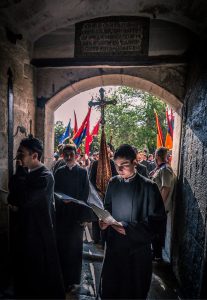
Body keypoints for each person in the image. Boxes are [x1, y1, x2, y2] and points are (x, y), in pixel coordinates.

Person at [99, 144, 166, 299]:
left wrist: (127, 227)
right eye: (116, 166)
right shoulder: (113, 183)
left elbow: (157, 220)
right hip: (114, 249)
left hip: (136, 253)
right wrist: (103, 221)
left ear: (135, 162)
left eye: (124, 165)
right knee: (111, 290)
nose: (120, 170)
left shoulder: (149, 187)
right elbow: (107, 208)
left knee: (133, 291)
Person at [8, 136, 65, 299]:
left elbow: (25, 200)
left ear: (34, 156)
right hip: (23, 231)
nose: (18, 157)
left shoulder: (45, 176)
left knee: (37, 279)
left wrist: (19, 177)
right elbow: (12, 197)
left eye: (22, 154)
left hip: (38, 234)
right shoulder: (26, 172)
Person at [54, 144, 91, 292]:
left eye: (71, 154)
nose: (69, 157)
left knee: (75, 249)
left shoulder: (82, 173)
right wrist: (61, 200)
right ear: (62, 155)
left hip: (76, 218)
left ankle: (74, 281)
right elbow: (54, 191)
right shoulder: (59, 172)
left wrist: (82, 216)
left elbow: (85, 194)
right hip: (62, 216)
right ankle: (62, 278)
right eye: (66, 154)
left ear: (76, 155)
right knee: (61, 248)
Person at [89, 143, 118, 244]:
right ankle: (96, 239)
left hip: (108, 196)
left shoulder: (112, 164)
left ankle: (104, 240)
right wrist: (97, 192)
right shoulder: (95, 164)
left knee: (107, 218)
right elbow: (90, 180)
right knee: (96, 218)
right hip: (97, 197)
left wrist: (108, 192)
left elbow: (116, 179)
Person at [151, 147, 175, 260]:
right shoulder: (160, 168)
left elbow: (165, 188)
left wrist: (158, 206)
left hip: (159, 208)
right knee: (154, 232)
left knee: (157, 233)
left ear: (157, 156)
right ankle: (155, 254)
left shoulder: (165, 169)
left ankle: (157, 256)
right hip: (155, 207)